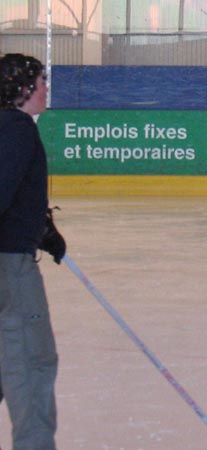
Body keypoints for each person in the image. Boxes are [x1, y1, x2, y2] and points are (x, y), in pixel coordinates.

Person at [0, 53, 66, 449]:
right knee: (32, 363)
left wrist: (38, 226)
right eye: (42, 81)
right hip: (9, 267)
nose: (46, 88)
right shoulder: (18, 129)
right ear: (23, 89)